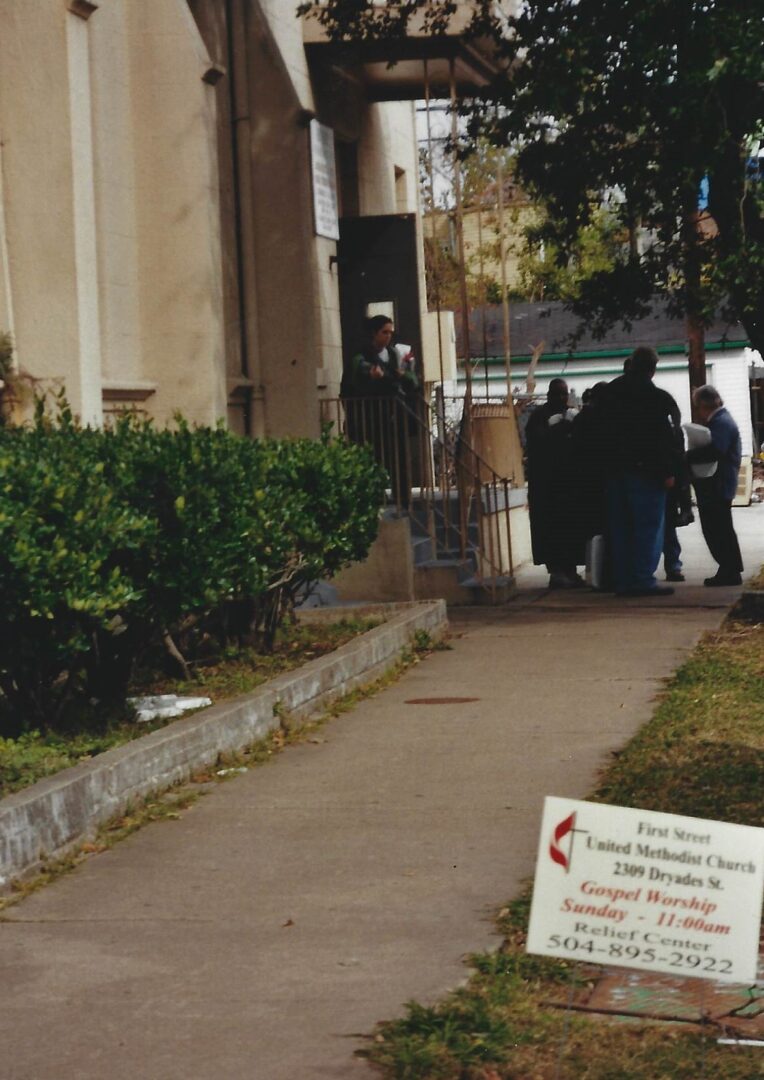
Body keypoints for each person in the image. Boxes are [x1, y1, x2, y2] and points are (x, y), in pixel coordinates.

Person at [602, 346, 679, 597]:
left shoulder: (610, 392)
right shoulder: (656, 398)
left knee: (621, 527)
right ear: (653, 369)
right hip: (647, 472)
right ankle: (642, 579)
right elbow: (663, 437)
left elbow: (596, 431)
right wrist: (668, 471)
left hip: (614, 470)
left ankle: (623, 580)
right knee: (648, 527)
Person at [341, 315, 419, 510]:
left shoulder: (394, 354)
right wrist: (373, 375)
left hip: (394, 415)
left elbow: (411, 380)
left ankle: (403, 500)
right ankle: (370, 501)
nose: (388, 336)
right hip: (369, 417)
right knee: (371, 458)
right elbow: (357, 373)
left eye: (390, 332)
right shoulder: (361, 354)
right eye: (384, 332)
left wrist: (403, 375)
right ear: (374, 333)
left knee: (398, 459)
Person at [525, 378, 585, 588]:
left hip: (569, 484)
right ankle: (557, 570)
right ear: (549, 394)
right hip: (547, 486)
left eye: (564, 394)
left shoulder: (574, 415)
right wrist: (559, 429)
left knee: (571, 530)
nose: (561, 398)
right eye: (557, 394)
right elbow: (537, 443)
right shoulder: (539, 416)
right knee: (551, 530)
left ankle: (570, 570)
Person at [686, 385, 744, 586]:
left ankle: (730, 569)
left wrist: (687, 457)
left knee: (717, 528)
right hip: (721, 482)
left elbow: (715, 451)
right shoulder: (723, 421)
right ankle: (729, 568)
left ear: (703, 405)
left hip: (717, 483)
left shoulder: (721, 423)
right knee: (720, 527)